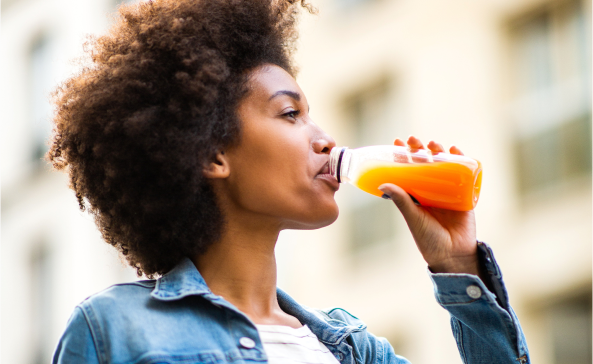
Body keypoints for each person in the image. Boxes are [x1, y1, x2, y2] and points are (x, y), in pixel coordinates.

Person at [49, 0, 530, 363]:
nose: (324, 139)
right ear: (213, 153)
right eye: (290, 114)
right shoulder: (114, 329)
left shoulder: (355, 351)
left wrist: (459, 266)